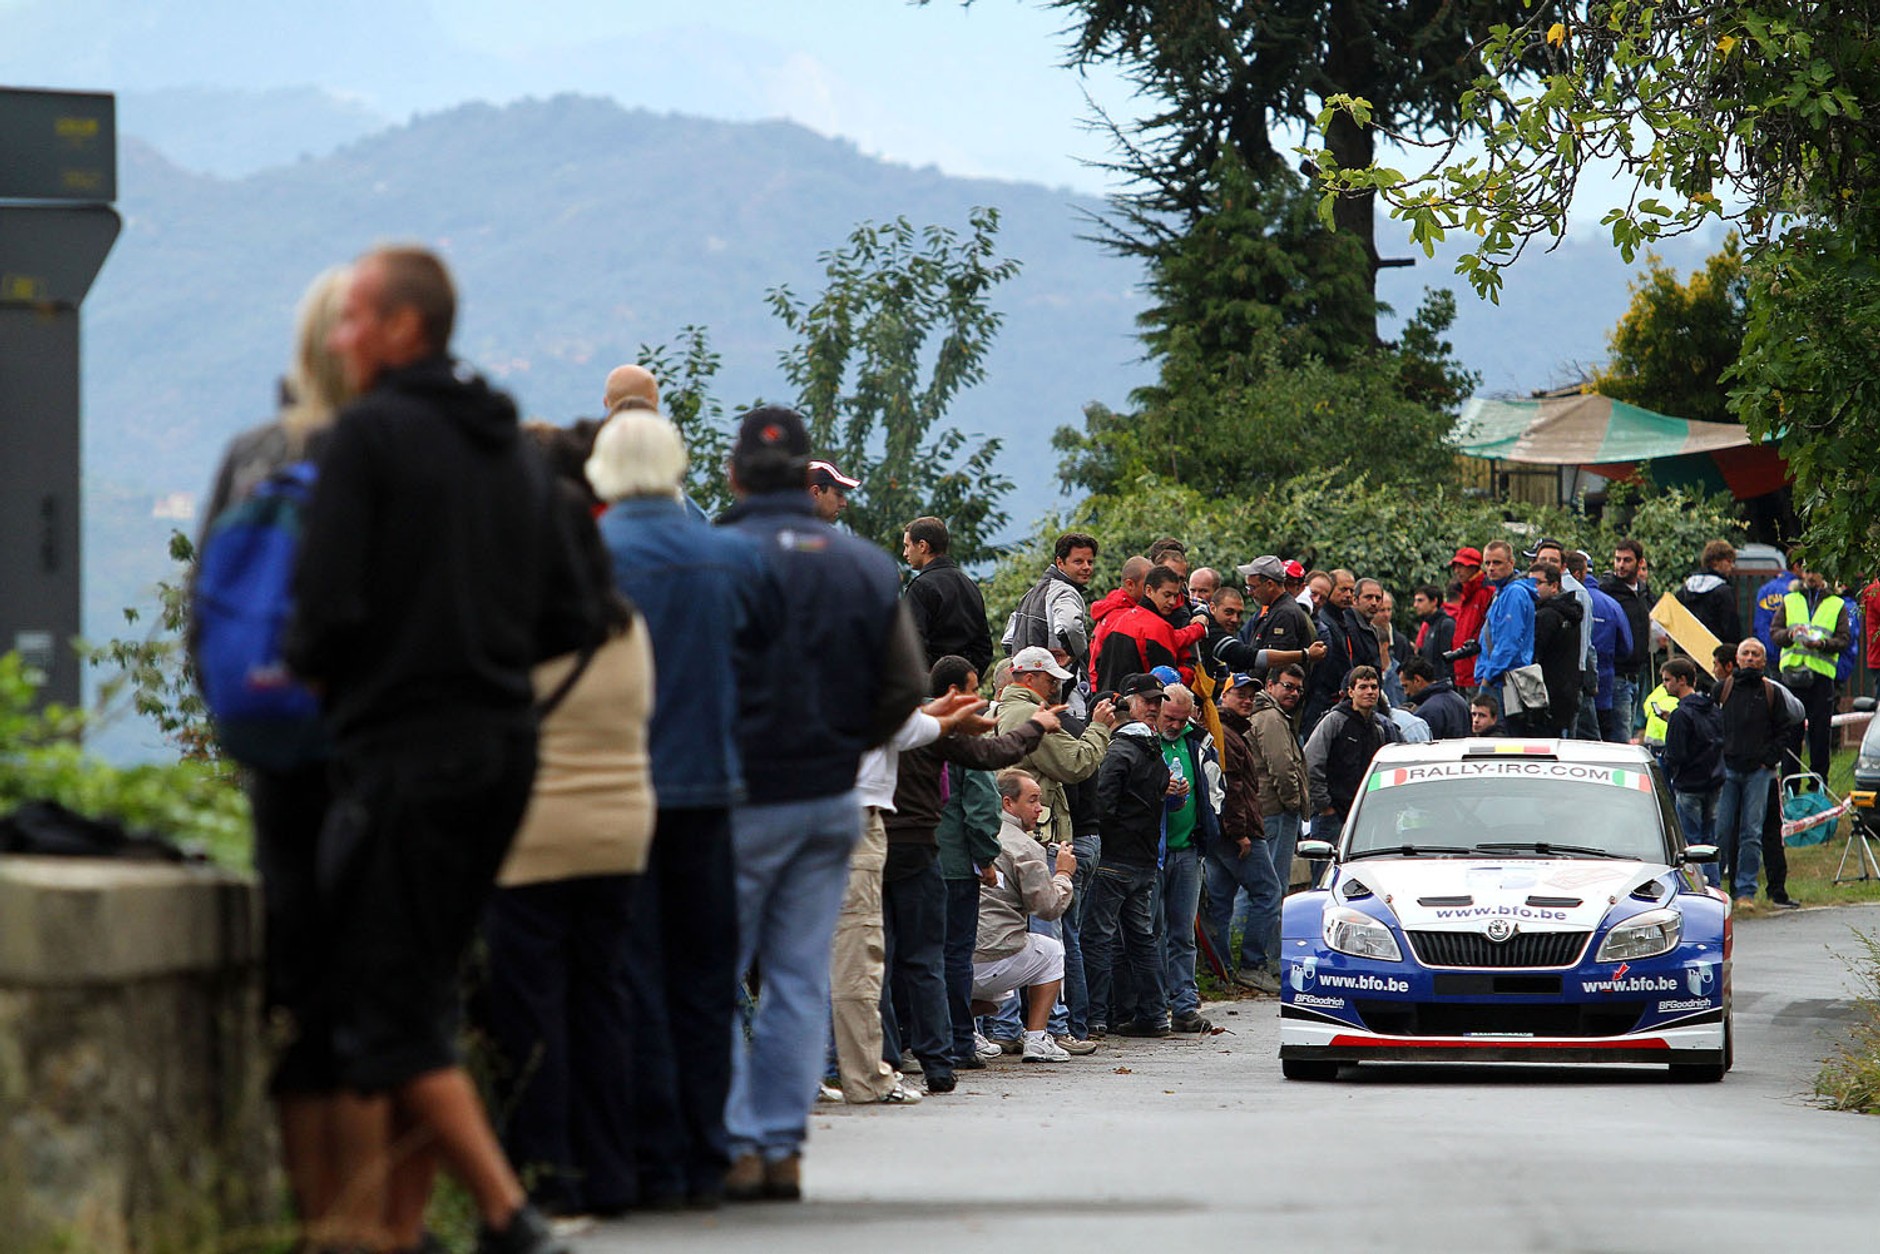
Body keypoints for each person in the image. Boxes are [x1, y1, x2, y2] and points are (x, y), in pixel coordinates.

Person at [285, 246, 596, 1254]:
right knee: (416, 983)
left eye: (354, 318)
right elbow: (574, 614)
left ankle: (497, 1218)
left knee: (381, 997)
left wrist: (362, 668)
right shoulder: (507, 445)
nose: (338, 338)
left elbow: (321, 616)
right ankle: (409, 1229)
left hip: (401, 753)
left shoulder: (367, 437)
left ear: (401, 329)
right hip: (502, 754)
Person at [716, 405, 927, 1203]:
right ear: (808, 477)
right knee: (803, 974)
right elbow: (905, 688)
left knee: (718, 970)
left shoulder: (714, 559)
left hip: (736, 796)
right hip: (828, 795)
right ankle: (781, 1146)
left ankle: (738, 1139)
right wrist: (844, 741)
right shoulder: (866, 568)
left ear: (735, 476)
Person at [192, 266, 353, 1246]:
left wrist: (236, 719)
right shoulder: (395, 453)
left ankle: (312, 1216)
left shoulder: (253, 453)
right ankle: (371, 1218)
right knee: (384, 985)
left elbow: (206, 603)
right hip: (379, 755)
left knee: (296, 979)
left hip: (273, 747)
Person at [585, 408, 772, 1208]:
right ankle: (707, 1152)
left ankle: (651, 1156)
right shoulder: (731, 557)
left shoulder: (588, 559)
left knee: (633, 975)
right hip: (713, 792)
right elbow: (767, 675)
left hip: (617, 792)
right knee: (705, 978)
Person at [479, 426, 655, 1223]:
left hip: (532, 837)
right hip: (620, 831)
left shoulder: (510, 630)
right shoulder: (626, 628)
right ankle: (613, 1173)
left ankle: (549, 1178)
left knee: (533, 1011)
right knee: (602, 999)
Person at [882, 660, 1052, 1092]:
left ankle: (886, 1055)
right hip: (930, 854)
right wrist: (1035, 725)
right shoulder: (932, 729)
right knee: (933, 958)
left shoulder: (862, 722)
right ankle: (944, 1055)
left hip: (873, 849)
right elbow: (989, 764)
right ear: (954, 693)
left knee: (881, 961)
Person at [1085, 674, 1173, 1037]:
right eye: (1148, 701)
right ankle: (1153, 1014)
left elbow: (1102, 805)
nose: (1154, 707)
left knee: (1097, 936)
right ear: (1130, 702)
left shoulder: (1119, 751)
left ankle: (1093, 1017)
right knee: (1140, 937)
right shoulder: (1154, 752)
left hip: (1116, 860)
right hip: (1142, 861)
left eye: (1157, 701)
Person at [973, 770, 1078, 1062]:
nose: (1040, 809)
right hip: (995, 957)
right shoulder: (1025, 846)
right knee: (1052, 950)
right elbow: (1047, 907)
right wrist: (1063, 874)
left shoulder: (970, 834)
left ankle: (964, 1032)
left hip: (955, 959)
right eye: (1032, 800)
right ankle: (1037, 1039)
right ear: (1008, 803)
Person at [1204, 674, 1282, 993]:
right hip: (1239, 831)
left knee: (1221, 901)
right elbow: (1230, 787)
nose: (1247, 700)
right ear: (1224, 697)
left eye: (1251, 695)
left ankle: (1220, 970)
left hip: (1221, 833)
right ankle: (1252, 964)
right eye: (1240, 694)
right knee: (1269, 893)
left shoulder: (1231, 731)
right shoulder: (1226, 733)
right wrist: (1240, 832)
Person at [1155, 684, 1217, 1033]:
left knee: (1182, 933)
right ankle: (1153, 1004)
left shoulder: (1198, 742)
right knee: (1152, 931)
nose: (1176, 725)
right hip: (1156, 853)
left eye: (1182, 719)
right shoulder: (1147, 742)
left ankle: (1183, 1004)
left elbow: (1214, 788)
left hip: (1189, 849)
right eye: (1170, 718)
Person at [1714, 639, 1793, 907]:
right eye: (1745, 653)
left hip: (1759, 774)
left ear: (1763, 660)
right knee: (1722, 831)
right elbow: (1710, 725)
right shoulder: (1722, 690)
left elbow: (1785, 731)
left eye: (1755, 654)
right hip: (1728, 771)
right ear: (1736, 659)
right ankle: (1714, 890)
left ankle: (1745, 892)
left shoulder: (1772, 692)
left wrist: (1769, 759)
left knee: (1751, 833)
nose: (1750, 658)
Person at [1770, 562, 1852, 782]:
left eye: (1814, 571)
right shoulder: (1790, 599)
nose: (1810, 576)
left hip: (1820, 677)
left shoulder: (1837, 604)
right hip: (1792, 676)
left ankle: (1818, 787)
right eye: (1806, 571)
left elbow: (1844, 640)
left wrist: (1823, 644)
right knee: (1791, 735)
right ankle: (1791, 787)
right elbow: (1774, 633)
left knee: (1819, 736)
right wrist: (1790, 634)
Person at [1245, 663, 1311, 934]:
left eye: (1298, 689)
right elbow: (1282, 767)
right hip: (1275, 811)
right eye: (1287, 686)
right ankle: (1262, 958)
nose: (1294, 693)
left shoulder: (1273, 715)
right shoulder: (1271, 717)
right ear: (1270, 685)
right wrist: (1294, 802)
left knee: (1259, 886)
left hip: (1268, 809)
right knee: (1270, 887)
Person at [1304, 666, 1404, 830]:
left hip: (1367, 815)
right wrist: (1325, 806)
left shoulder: (1378, 727)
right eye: (1363, 687)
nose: (1370, 692)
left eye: (1374, 687)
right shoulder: (1334, 721)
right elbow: (1311, 762)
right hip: (1333, 817)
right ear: (1350, 692)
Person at [1659, 657, 1724, 887]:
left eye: (1667, 680)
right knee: (1710, 841)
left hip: (1688, 785)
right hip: (1714, 782)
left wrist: (1669, 766)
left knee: (1691, 845)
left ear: (1682, 680)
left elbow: (1676, 754)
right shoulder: (1713, 709)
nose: (1665, 685)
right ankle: (1714, 887)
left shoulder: (1680, 715)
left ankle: (1696, 889)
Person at [1093, 565, 1208, 691]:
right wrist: (1190, 669)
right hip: (1141, 704)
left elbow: (1099, 664)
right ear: (1148, 591)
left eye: (1175, 596)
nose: (1172, 602)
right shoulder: (1158, 628)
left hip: (1109, 700)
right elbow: (1168, 684)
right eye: (1167, 595)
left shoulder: (1120, 620)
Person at [901, 515, 992, 674]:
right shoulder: (969, 585)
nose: (905, 553)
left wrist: (930, 681)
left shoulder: (920, 588)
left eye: (907, 546)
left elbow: (912, 645)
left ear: (922, 546)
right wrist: (969, 679)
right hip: (967, 687)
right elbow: (984, 645)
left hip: (932, 690)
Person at [1005, 531, 1100, 665]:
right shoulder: (1064, 592)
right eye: (1078, 562)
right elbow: (1071, 626)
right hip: (1055, 680)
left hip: (1025, 677)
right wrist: (1074, 654)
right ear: (1060, 563)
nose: (1087, 567)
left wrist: (1023, 663)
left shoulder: (1031, 593)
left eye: (1090, 562)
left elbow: (1008, 640)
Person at [1601, 539, 1653, 740]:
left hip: (1635, 676)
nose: (1621, 565)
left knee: (1628, 732)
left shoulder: (1642, 592)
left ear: (1640, 563)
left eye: (1627, 560)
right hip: (1616, 676)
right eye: (1617, 559)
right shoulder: (1608, 591)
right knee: (1620, 740)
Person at [1529, 561, 1585, 737]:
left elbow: (1535, 653)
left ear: (1554, 586)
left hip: (1546, 697)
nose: (1532, 588)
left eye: (1537, 583)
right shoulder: (1570, 613)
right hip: (1567, 696)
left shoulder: (1547, 616)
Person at [1089, 554, 1154, 686]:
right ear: (1130, 584)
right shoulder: (1122, 617)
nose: (1152, 591)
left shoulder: (1114, 606)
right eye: (1148, 586)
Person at [1446, 546, 1495, 690]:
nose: (1457, 571)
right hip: (1464, 671)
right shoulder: (1467, 592)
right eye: (1455, 566)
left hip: (1477, 672)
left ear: (1474, 567)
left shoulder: (1486, 592)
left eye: (1462, 566)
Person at [1677, 540, 1743, 645]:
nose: (1732, 566)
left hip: (1687, 649)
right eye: (1729, 561)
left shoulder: (1686, 588)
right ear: (1715, 562)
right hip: (1716, 651)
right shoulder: (1724, 592)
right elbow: (1731, 629)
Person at [1401, 655, 1468, 739]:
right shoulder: (1460, 701)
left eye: (1406, 686)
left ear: (1417, 680)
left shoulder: (1426, 711)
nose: (1406, 692)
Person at [1411, 583, 1455, 683]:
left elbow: (1447, 661)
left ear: (1434, 601)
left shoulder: (1445, 624)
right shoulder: (1430, 625)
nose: (1415, 605)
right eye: (1415, 601)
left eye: (1420, 600)